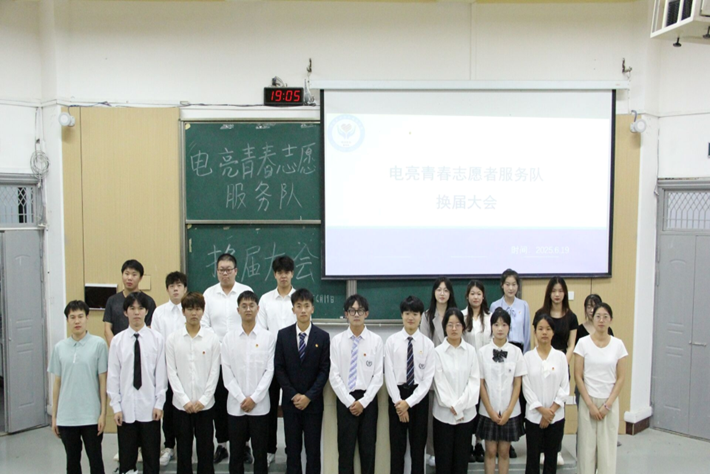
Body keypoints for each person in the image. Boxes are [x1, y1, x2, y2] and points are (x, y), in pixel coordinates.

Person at [202, 253, 254, 464]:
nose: (225, 273)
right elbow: (204, 324)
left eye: (228, 269)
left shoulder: (245, 291)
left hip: (242, 357)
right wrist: (221, 344)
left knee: (242, 399)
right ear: (217, 272)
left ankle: (245, 445)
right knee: (220, 402)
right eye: (221, 270)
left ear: (236, 271)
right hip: (216, 357)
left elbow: (251, 320)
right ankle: (222, 444)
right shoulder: (208, 294)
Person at [107, 292, 167, 474]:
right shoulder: (117, 341)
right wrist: (116, 407)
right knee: (127, 459)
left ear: (146, 311)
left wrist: (159, 404)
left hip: (150, 408)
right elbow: (113, 377)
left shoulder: (157, 339)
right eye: (132, 308)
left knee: (151, 459)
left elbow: (161, 375)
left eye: (140, 308)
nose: (136, 312)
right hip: (126, 409)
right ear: (125, 312)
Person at [274, 288, 331, 474]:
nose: (303, 310)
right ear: (293, 310)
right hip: (290, 404)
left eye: (307, 306)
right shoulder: (283, 335)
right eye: (299, 306)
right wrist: (293, 395)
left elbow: (324, 371)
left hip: (313, 404)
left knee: (313, 451)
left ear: (313, 308)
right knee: (293, 451)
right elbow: (279, 368)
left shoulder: (322, 337)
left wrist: (308, 396)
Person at [49, 300, 108, 474]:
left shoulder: (98, 344)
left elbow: (103, 381)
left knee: (95, 460)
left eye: (80, 316)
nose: (77, 321)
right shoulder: (59, 348)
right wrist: (55, 416)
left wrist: (103, 414)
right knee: (72, 462)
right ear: (67, 320)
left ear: (87, 317)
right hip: (67, 417)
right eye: (72, 317)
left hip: (91, 415)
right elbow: (57, 383)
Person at [166, 292, 221, 474]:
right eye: (190, 309)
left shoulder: (212, 339)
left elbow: (214, 372)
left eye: (198, 309)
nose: (194, 313)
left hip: (205, 406)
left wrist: (204, 400)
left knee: (206, 450)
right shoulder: (173, 339)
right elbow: (171, 373)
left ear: (203, 311)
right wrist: (184, 400)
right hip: (181, 406)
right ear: (183, 311)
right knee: (183, 451)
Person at [222, 290, 276, 474]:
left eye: (251, 305)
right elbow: (227, 372)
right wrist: (240, 397)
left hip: (260, 407)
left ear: (258, 309)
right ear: (238, 310)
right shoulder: (228, 338)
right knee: (236, 454)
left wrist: (254, 398)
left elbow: (269, 371)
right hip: (235, 406)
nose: (248, 309)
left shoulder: (267, 337)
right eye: (244, 306)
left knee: (260, 454)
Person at [329, 294, 384, 474]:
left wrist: (363, 402)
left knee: (368, 451)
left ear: (366, 313)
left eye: (360, 310)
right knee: (345, 451)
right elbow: (334, 375)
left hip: (368, 401)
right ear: (346, 314)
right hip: (346, 400)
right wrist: (349, 401)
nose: (356, 314)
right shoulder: (337, 341)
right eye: (352, 311)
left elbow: (378, 376)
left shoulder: (376, 341)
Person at [384, 296, 435, 474]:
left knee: (418, 449)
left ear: (421, 316)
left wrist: (408, 403)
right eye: (407, 313)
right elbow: (389, 374)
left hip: (418, 399)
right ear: (402, 315)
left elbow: (427, 380)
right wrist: (399, 403)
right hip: (396, 398)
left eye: (415, 314)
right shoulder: (391, 342)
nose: (411, 317)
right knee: (397, 449)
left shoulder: (428, 344)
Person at [574, 303, 627, 474]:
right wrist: (589, 404)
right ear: (592, 318)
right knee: (586, 451)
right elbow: (578, 376)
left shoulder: (618, 345)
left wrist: (607, 405)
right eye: (598, 316)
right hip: (588, 401)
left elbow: (621, 378)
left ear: (611, 319)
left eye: (605, 317)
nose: (601, 320)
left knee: (607, 453)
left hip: (608, 403)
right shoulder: (583, 343)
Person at [256, 255, 296, 466]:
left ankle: (292, 450)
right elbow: (261, 331)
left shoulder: (299, 299)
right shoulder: (265, 300)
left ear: (292, 274)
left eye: (287, 272)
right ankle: (269, 449)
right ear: (274, 274)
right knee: (269, 408)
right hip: (270, 361)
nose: (283, 276)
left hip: (294, 364)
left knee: (291, 409)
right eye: (279, 272)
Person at [477, 307, 527, 474]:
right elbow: (481, 383)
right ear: (491, 327)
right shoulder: (482, 352)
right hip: (488, 410)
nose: (500, 328)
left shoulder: (516, 352)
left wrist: (509, 410)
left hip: (509, 410)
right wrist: (490, 410)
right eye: (496, 324)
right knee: (490, 451)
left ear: (509, 327)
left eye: (504, 325)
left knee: (504, 451)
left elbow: (518, 384)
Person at [534, 276, 577, 466]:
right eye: (554, 291)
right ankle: (542, 449)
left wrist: (562, 363)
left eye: (560, 291)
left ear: (565, 293)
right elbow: (536, 340)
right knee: (542, 404)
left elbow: (571, 345)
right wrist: (543, 360)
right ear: (549, 293)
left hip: (561, 365)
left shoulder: (571, 317)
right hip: (542, 364)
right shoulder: (541, 313)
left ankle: (556, 449)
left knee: (558, 405)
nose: (557, 294)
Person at [432, 308, 480, 474]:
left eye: (458, 325)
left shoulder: (471, 351)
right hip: (443, 415)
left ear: (463, 327)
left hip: (466, 416)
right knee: (443, 464)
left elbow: (474, 382)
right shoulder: (437, 352)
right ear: (444, 327)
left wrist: (459, 406)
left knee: (461, 464)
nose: (454, 328)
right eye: (450, 325)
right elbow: (439, 383)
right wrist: (454, 406)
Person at [489, 268, 530, 459]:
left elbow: (527, 333)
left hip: (517, 350)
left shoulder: (524, 305)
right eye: (508, 284)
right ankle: (495, 438)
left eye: (514, 284)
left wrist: (525, 356)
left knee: (514, 394)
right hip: (498, 348)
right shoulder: (495, 305)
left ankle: (509, 442)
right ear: (502, 286)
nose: (511, 288)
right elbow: (491, 330)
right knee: (498, 392)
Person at [522, 313, 569, 474]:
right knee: (532, 459)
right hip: (534, 417)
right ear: (535, 331)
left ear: (553, 332)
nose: (544, 332)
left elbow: (564, 387)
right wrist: (542, 411)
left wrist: (551, 412)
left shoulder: (560, 357)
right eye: (540, 328)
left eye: (548, 329)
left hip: (556, 416)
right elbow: (526, 388)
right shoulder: (528, 357)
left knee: (551, 459)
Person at [151, 271, 189, 467]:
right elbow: (156, 341)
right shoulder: (159, 313)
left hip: (188, 369)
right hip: (166, 369)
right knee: (168, 409)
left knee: (185, 409)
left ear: (185, 289)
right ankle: (169, 446)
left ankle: (186, 446)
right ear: (167, 289)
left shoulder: (191, 310)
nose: (175, 289)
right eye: (172, 286)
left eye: (179, 285)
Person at [420, 276, 458, 466]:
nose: (442, 293)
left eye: (446, 290)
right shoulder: (427, 316)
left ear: (450, 293)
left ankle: (455, 450)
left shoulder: (457, 315)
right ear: (434, 293)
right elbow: (425, 345)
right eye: (439, 290)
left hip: (454, 371)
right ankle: (433, 451)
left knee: (453, 410)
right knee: (432, 414)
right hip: (434, 371)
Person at [462, 279, 491, 463]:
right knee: (469, 404)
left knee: (482, 407)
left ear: (483, 296)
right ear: (467, 296)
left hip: (486, 369)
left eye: (478, 294)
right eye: (472, 294)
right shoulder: (461, 316)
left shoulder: (490, 317)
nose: (475, 297)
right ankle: (467, 444)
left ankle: (479, 443)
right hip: (466, 369)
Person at [103, 259, 157, 346]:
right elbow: (107, 329)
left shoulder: (148, 301)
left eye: (134, 274)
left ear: (140, 278)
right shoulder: (112, 300)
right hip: (118, 347)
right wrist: (115, 347)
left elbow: (149, 328)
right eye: (127, 274)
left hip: (141, 347)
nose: (129, 278)